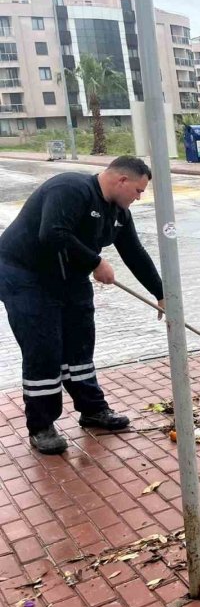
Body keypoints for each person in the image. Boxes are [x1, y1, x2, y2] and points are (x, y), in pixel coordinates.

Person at [0, 156, 165, 454]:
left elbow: (134, 253)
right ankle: (41, 426)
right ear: (122, 180)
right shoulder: (70, 188)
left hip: (70, 276)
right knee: (44, 350)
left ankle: (92, 410)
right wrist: (96, 262)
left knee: (80, 344)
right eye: (138, 190)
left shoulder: (118, 212)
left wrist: (161, 294)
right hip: (25, 276)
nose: (139, 197)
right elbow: (52, 233)